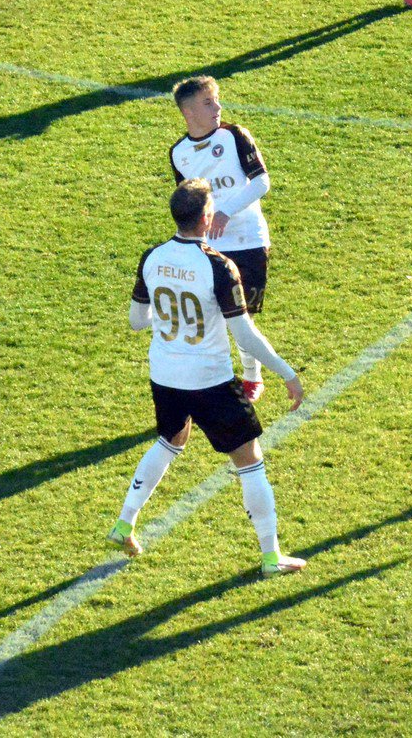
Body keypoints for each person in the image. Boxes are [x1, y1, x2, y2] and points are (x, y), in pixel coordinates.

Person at [108, 179, 307, 577]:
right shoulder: (218, 265)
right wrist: (287, 373)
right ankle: (271, 557)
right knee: (250, 462)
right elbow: (244, 335)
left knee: (170, 440)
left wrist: (172, 318)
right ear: (206, 218)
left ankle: (124, 523)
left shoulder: (152, 257)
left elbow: (137, 321)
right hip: (209, 380)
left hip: (165, 375)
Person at [167, 76, 275, 403]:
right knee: (209, 319)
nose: (218, 107)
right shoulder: (179, 154)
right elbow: (189, 202)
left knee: (242, 319)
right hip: (209, 247)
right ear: (188, 113)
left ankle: (252, 378)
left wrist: (225, 212)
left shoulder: (234, 136)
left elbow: (262, 182)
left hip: (249, 241)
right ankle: (210, 381)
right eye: (208, 102)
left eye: (216, 100)